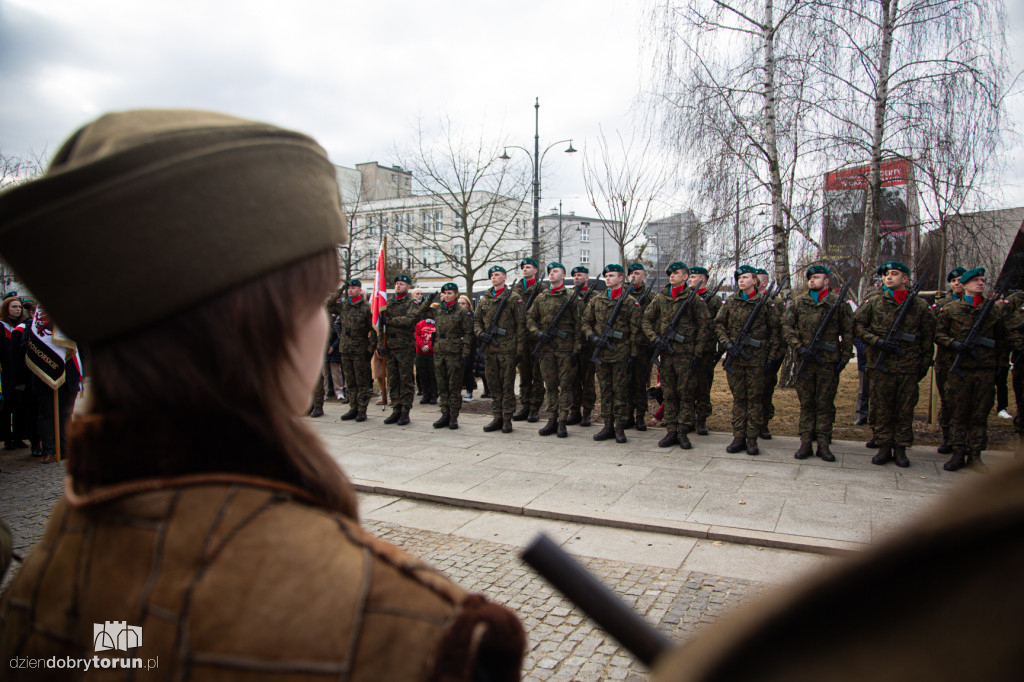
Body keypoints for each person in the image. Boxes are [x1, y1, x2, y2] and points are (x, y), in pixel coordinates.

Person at [0, 109, 523, 679]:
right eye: (313, 298)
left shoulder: (45, 567)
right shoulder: (415, 629)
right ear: (269, 323)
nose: (325, 321)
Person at [854, 261, 935, 468]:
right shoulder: (873, 301)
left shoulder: (919, 306)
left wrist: (923, 366)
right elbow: (857, 327)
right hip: (881, 366)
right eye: (885, 275)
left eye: (894, 274)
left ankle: (900, 448)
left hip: (908, 366)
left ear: (905, 279)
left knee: (904, 409)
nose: (888, 277)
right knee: (881, 408)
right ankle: (883, 446)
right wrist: (877, 341)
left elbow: (927, 338)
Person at [934, 268, 1012, 472]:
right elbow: (938, 334)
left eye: (983, 280)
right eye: (976, 280)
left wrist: (1000, 367)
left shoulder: (993, 311)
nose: (981, 283)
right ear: (966, 284)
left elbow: (1002, 340)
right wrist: (954, 344)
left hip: (984, 370)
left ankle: (975, 454)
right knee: (958, 413)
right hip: (960, 370)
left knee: (979, 414)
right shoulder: (950, 309)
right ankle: (958, 452)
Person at [781, 265, 855, 462]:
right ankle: (805, 442)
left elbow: (848, 332)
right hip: (805, 360)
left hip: (828, 362)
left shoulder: (838, 303)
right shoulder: (798, 302)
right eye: (810, 278)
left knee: (825, 404)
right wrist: (799, 347)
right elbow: (787, 326)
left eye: (816, 277)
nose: (811, 281)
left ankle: (823, 443)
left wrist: (845, 358)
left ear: (827, 281)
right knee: (806, 403)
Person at [642, 262, 711, 450]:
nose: (671, 276)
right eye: (670, 273)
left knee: (686, 394)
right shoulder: (661, 298)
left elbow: (705, 327)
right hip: (666, 355)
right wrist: (655, 339)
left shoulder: (693, 299)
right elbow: (646, 320)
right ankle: (671, 430)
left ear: (685, 277)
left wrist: (697, 352)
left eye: (676, 273)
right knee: (669, 394)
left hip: (686, 355)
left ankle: (683, 430)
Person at [716, 264, 783, 455]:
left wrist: (771, 357)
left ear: (755, 280)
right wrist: (727, 344)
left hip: (757, 360)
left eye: (745, 277)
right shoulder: (730, 302)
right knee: (739, 399)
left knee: (754, 400)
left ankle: (752, 438)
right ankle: (738, 436)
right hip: (736, 358)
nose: (741, 280)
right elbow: (719, 325)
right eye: (739, 278)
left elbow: (775, 332)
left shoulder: (766, 304)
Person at [582, 264, 642, 443]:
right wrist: (592, 337)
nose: (608, 279)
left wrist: (632, 354)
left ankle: (620, 427)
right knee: (605, 390)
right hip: (601, 354)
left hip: (621, 354)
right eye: (606, 276)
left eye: (611, 276)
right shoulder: (596, 300)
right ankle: (607, 424)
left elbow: (635, 330)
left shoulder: (630, 301)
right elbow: (585, 321)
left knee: (621, 391)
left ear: (621, 278)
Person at [527, 262, 581, 438]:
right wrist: (538, 333)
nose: (551, 273)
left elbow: (580, 324)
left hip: (565, 349)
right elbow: (529, 318)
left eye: (555, 271)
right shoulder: (541, 297)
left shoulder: (571, 296)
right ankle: (552, 419)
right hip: (546, 349)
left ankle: (563, 421)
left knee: (565, 385)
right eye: (550, 271)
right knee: (549, 386)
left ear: (563, 276)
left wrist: (576, 349)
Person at [475, 265, 525, 433]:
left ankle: (507, 419)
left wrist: (519, 349)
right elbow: (476, 321)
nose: (494, 277)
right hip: (490, 350)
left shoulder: (513, 298)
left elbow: (520, 325)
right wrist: (481, 334)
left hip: (508, 349)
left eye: (497, 275)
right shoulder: (484, 299)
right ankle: (497, 416)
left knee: (507, 385)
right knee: (493, 385)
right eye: (492, 275)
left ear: (504, 277)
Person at [418, 282, 473, 429]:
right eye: (445, 293)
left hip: (455, 352)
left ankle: (453, 416)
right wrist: (429, 299)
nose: (447, 295)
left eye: (450, 293)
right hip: (439, 351)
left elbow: (468, 333)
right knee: (441, 385)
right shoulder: (438, 310)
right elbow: (421, 312)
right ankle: (444, 414)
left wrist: (465, 353)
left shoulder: (462, 312)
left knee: (454, 386)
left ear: (456, 294)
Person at [931, 266, 966, 453]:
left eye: (960, 280)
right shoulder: (942, 304)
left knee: (966, 402)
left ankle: (963, 440)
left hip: (970, 363)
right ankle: (947, 438)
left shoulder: (979, 305)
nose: (957, 283)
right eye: (953, 281)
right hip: (946, 360)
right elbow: (933, 330)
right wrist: (952, 343)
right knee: (947, 400)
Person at [687, 266, 720, 436]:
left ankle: (702, 419)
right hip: (686, 350)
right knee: (687, 386)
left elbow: (716, 325)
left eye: (693, 277)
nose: (689, 280)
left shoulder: (714, 300)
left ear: (703, 279)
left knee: (703, 385)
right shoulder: (686, 297)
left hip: (706, 351)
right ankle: (689, 418)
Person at [380, 274, 418, 425]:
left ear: (408, 287)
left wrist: (389, 321)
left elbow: (409, 320)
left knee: (405, 380)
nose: (398, 286)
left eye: (402, 284)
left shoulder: (412, 303)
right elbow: (380, 326)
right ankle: (396, 409)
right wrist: (380, 344)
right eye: (396, 283)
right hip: (390, 346)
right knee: (393, 380)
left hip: (404, 347)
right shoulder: (387, 303)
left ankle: (405, 411)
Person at [337, 278, 376, 422]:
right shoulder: (344, 305)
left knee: (362, 381)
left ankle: (362, 410)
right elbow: (328, 305)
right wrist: (340, 289)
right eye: (348, 288)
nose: (350, 290)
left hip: (360, 348)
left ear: (360, 290)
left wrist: (370, 349)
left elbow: (374, 330)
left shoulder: (366, 307)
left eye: (353, 288)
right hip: (345, 348)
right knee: (350, 380)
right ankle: (353, 407)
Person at [512, 257, 544, 422]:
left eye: (528, 267)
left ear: (535, 270)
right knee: (524, 374)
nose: (525, 269)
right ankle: (524, 405)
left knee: (537, 374)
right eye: (523, 267)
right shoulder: (515, 290)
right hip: (520, 338)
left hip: (536, 338)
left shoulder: (542, 288)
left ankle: (534, 408)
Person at [755, 267, 785, 439]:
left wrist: (775, 357)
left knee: (766, 392)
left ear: (764, 282)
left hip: (768, 354)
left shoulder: (776, 302)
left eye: (756, 278)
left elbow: (780, 330)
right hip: (750, 356)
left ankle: (764, 424)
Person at [625, 263, 655, 430]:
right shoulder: (623, 294)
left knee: (641, 382)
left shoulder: (651, 296)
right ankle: (628, 415)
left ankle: (640, 417)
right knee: (626, 382)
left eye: (636, 273)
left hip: (643, 347)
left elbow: (655, 320)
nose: (633, 276)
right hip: (624, 346)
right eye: (630, 273)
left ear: (643, 277)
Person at [568, 265, 598, 427]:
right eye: (575, 276)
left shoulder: (595, 296)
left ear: (587, 277)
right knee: (572, 379)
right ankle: (575, 412)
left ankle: (586, 412)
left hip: (588, 346)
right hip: (571, 345)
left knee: (588, 381)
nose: (576, 278)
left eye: (580, 275)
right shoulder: (569, 295)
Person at [0, 294, 27, 449]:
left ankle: (18, 436)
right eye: (14, 307)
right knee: (6, 407)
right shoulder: (2, 327)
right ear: (6, 309)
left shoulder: (22, 327)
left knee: (19, 406)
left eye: (19, 307)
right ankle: (6, 438)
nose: (18, 310)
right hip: (5, 372)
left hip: (19, 371)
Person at [457, 294, 478, 401]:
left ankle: (469, 392)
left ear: (468, 305)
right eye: (459, 303)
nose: (461, 305)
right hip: (456, 346)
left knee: (468, 369)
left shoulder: (472, 316)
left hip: (469, 346)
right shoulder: (454, 315)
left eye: (463, 303)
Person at [415, 315, 438, 405]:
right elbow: (417, 334)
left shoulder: (437, 324)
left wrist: (429, 347)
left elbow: (437, 338)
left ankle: (434, 395)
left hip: (432, 353)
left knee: (432, 375)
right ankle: (425, 394)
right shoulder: (421, 324)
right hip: (421, 353)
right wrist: (421, 345)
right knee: (423, 374)